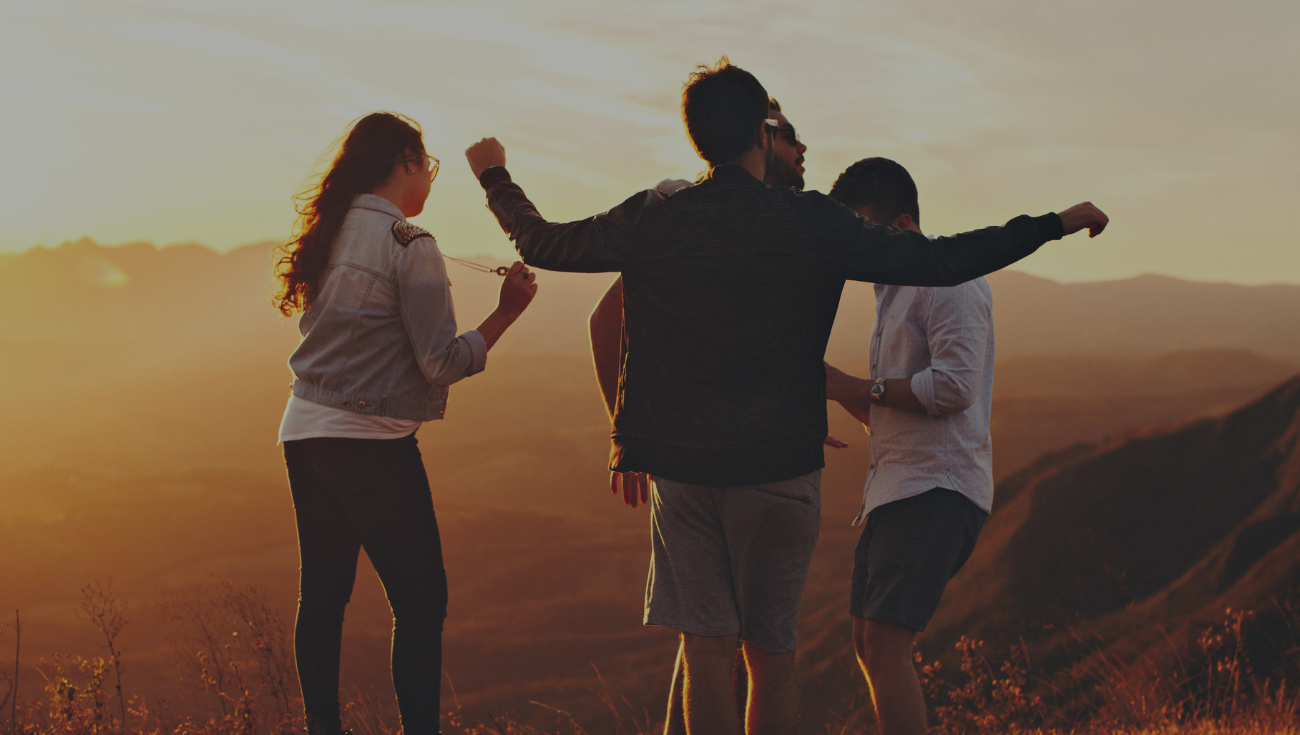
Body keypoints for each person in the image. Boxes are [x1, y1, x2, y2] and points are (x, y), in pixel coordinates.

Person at [465, 58, 1107, 735]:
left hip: (681, 470)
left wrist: (494, 175)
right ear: (762, 135)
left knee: (705, 649)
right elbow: (941, 259)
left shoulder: (655, 217)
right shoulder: (810, 221)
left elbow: (543, 242)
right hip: (780, 467)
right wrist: (1052, 223)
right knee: (771, 658)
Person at [273, 111, 537, 735]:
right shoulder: (410, 245)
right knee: (421, 603)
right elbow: (440, 363)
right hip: (370, 443)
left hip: (302, 429)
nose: (430, 181)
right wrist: (507, 314)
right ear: (406, 163)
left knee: (325, 596)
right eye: (429, 167)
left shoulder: (330, 231)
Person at [587, 96, 812, 735]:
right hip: (703, 463)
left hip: (743, 460)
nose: (802, 152)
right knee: (729, 648)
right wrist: (626, 432)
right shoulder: (682, 208)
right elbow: (606, 321)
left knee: (713, 644)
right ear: (759, 138)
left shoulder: (787, 223)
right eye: (791, 136)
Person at [825, 157, 995, 735]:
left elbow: (953, 388)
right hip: (898, 488)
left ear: (900, 226)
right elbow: (895, 413)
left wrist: (849, 386)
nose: (853, 248)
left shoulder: (951, 280)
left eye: (861, 231)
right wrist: (830, 387)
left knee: (884, 643)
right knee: (867, 643)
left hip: (937, 487)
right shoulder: (890, 292)